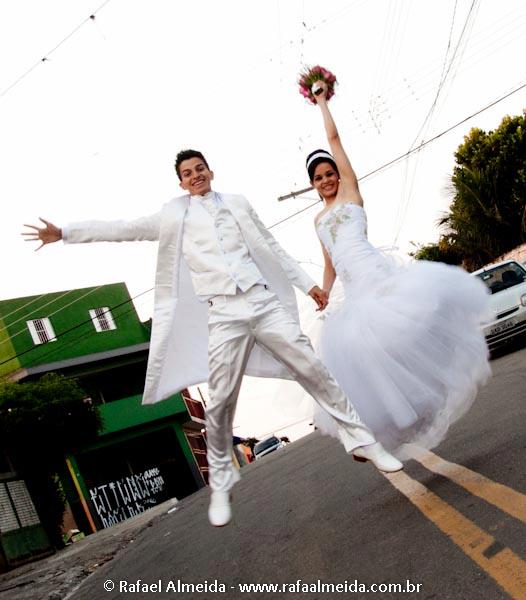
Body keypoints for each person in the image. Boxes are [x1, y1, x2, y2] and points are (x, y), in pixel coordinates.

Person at [22, 149, 402, 527]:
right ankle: (221, 483)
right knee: (220, 400)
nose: (195, 175)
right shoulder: (175, 215)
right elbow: (124, 228)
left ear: (210, 171)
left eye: (199, 169)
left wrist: (309, 286)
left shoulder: (237, 204)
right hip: (224, 314)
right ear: (181, 182)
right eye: (187, 173)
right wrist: (66, 233)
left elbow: (272, 248)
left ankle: (362, 439)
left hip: (260, 299)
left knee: (312, 367)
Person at [305, 81, 491, 458]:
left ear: (338, 176)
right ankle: (377, 427)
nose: (326, 180)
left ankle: (433, 381)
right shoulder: (318, 220)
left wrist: (321, 101)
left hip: (378, 276)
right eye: (318, 177)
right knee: (362, 355)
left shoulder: (350, 194)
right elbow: (330, 262)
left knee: (402, 334)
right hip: (355, 291)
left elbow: (335, 139)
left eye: (329, 173)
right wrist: (323, 293)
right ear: (312, 184)